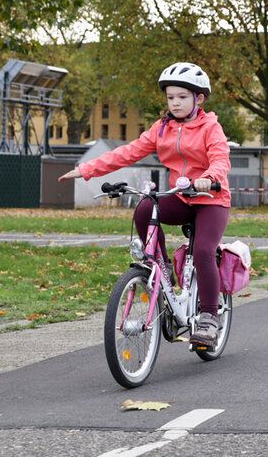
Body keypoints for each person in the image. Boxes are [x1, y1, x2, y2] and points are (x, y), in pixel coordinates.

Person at [58, 62, 231, 347]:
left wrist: (209, 177)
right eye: (170, 97)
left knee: (202, 251)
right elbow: (127, 153)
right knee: (144, 208)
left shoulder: (210, 127)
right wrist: (86, 169)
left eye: (182, 97)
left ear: (198, 98)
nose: (175, 103)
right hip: (180, 196)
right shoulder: (161, 129)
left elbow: (220, 158)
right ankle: (160, 267)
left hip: (212, 198)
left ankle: (210, 318)